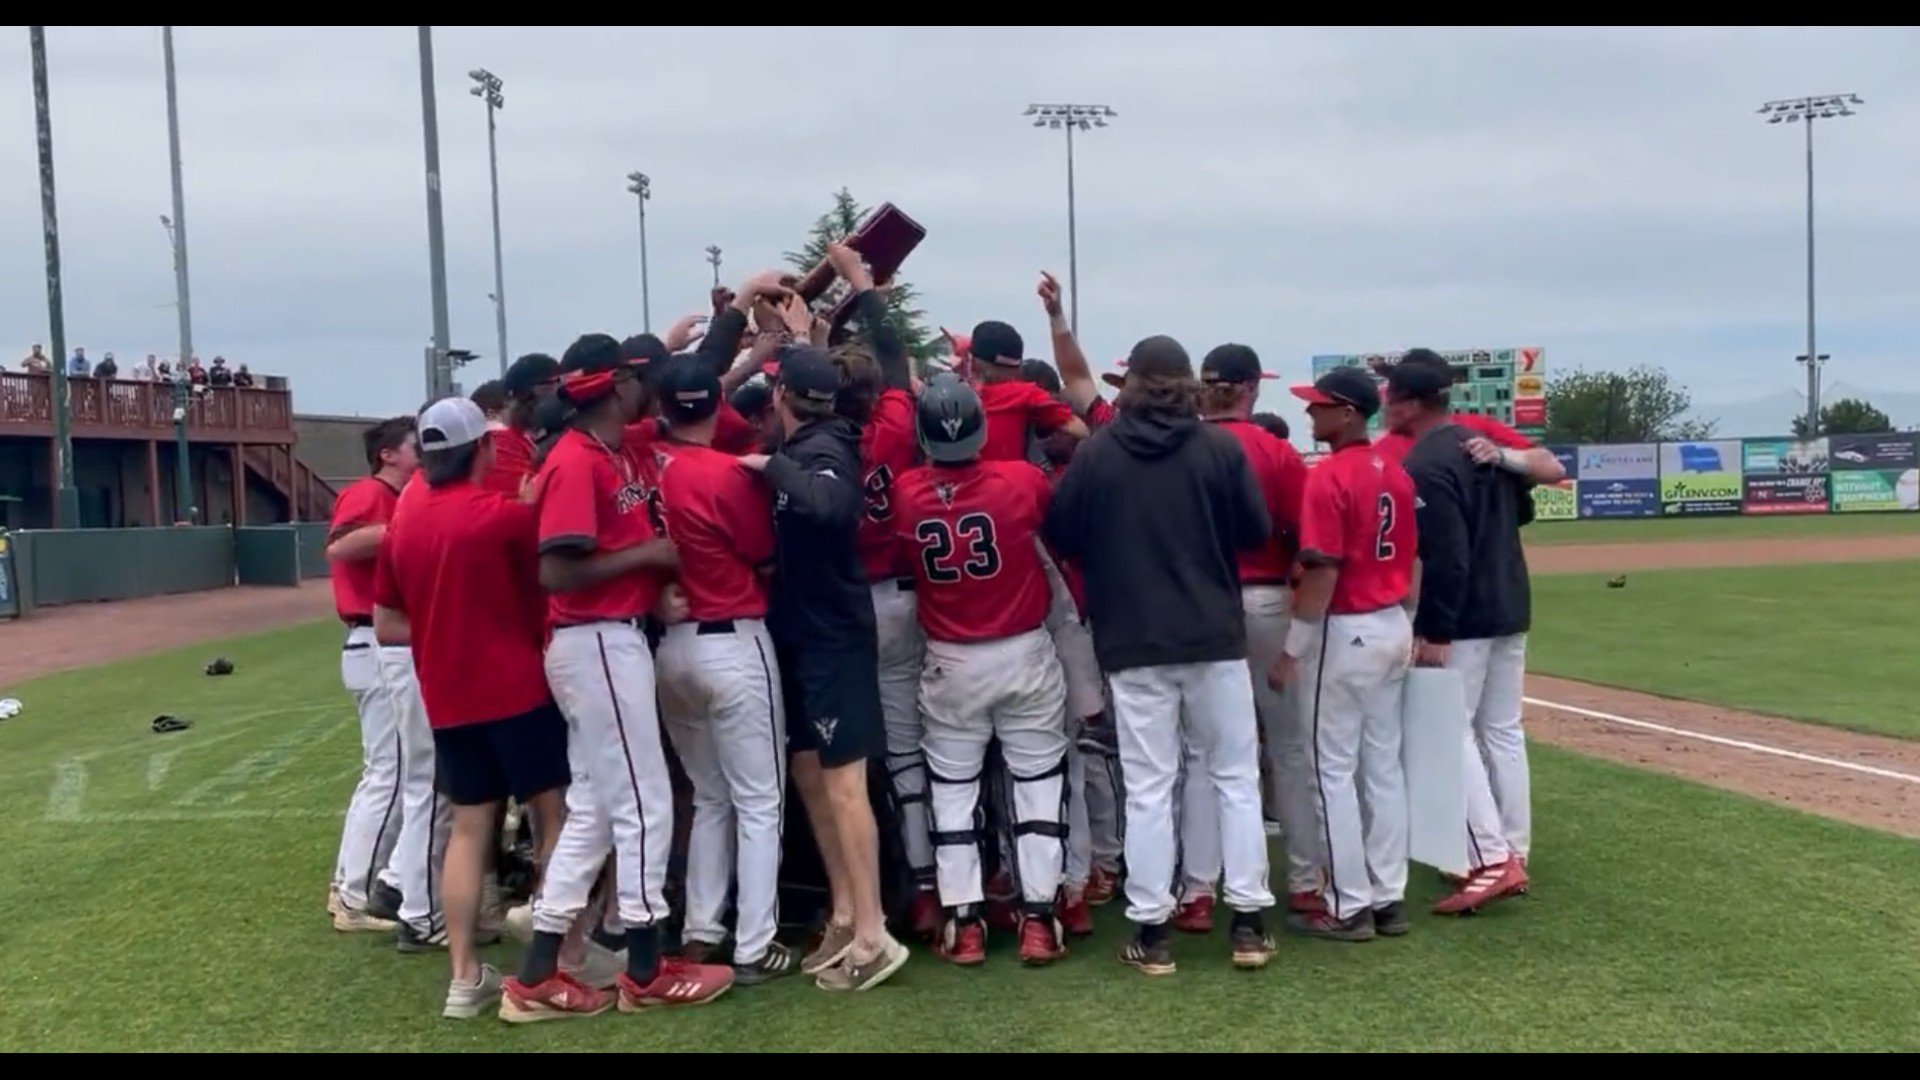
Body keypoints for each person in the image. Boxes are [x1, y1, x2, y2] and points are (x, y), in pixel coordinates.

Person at [504, 333, 733, 1021]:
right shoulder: (578, 460)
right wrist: (646, 556)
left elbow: (702, 380)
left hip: (605, 640)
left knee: (599, 812)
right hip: (595, 639)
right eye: (639, 379)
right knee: (646, 802)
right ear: (615, 386)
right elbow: (556, 568)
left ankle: (537, 973)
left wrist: (731, 322)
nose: (649, 388)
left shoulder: (610, 441)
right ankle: (645, 967)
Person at [1045, 334, 1276, 976]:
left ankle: (1151, 932)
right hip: (1212, 633)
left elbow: (1061, 532)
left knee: (1149, 787)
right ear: (1187, 384)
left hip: (1134, 638)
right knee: (1234, 779)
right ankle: (1250, 924)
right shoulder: (1219, 449)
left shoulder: (1099, 454)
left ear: (1133, 385)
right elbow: (1255, 531)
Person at [371, 396, 570, 1019]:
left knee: (468, 828)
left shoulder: (405, 520)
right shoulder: (503, 517)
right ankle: (555, 952)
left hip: (447, 694)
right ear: (480, 450)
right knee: (551, 813)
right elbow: (547, 591)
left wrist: (441, 626)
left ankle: (463, 977)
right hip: (516, 686)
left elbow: (387, 624)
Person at [738, 342, 911, 991]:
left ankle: (873, 935)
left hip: (836, 637)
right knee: (811, 773)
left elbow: (834, 507)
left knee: (844, 784)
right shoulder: (808, 444)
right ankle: (845, 913)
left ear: (782, 396)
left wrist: (770, 467)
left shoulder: (825, 447)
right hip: (805, 632)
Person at [892, 376, 1072, 967]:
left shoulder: (907, 492)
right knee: (1037, 787)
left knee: (952, 793)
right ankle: (1040, 920)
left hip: (951, 658)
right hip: (1022, 651)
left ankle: (965, 922)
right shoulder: (1020, 480)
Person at [650, 353, 796, 982]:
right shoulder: (728, 472)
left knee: (710, 796)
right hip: (732, 638)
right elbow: (765, 559)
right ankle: (754, 943)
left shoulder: (640, 465)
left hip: (669, 644)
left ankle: (703, 930)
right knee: (759, 800)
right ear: (717, 406)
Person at [1272, 366, 1417, 942]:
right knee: (1382, 770)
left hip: (1347, 630)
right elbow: (1416, 561)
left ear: (1349, 413)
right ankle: (1388, 899)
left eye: (1320, 406)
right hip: (1390, 623)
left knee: (1330, 771)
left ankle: (1348, 905)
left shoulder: (1331, 474)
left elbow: (1323, 571)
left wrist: (1292, 649)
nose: (1311, 414)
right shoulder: (1396, 474)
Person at [1385, 360, 1534, 914]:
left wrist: (1435, 627)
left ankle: (1493, 859)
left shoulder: (1426, 461)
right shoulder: (1482, 446)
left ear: (1410, 403)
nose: (1385, 405)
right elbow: (1526, 510)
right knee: (1501, 731)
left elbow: (1445, 555)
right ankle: (1513, 847)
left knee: (1449, 733)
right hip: (1510, 602)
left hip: (1466, 617)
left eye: (1391, 396)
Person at [1182, 344, 1320, 924]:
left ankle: (1196, 891)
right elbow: (1306, 547)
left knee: (1199, 755)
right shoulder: (1275, 451)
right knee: (1287, 748)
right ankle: (1308, 882)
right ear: (1249, 390)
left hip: (1195, 604)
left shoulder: (1180, 448)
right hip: (1263, 598)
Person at [323, 416, 419, 934]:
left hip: (382, 644)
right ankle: (352, 895)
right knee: (391, 772)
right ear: (388, 454)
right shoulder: (368, 492)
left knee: (396, 774)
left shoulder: (400, 495)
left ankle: (355, 884)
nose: (422, 452)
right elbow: (338, 545)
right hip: (373, 641)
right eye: (413, 445)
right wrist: (405, 526)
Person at [965, 318, 1086, 462]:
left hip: (961, 481)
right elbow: (1081, 430)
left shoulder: (957, 398)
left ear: (973, 362)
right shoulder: (1027, 395)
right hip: (1012, 481)